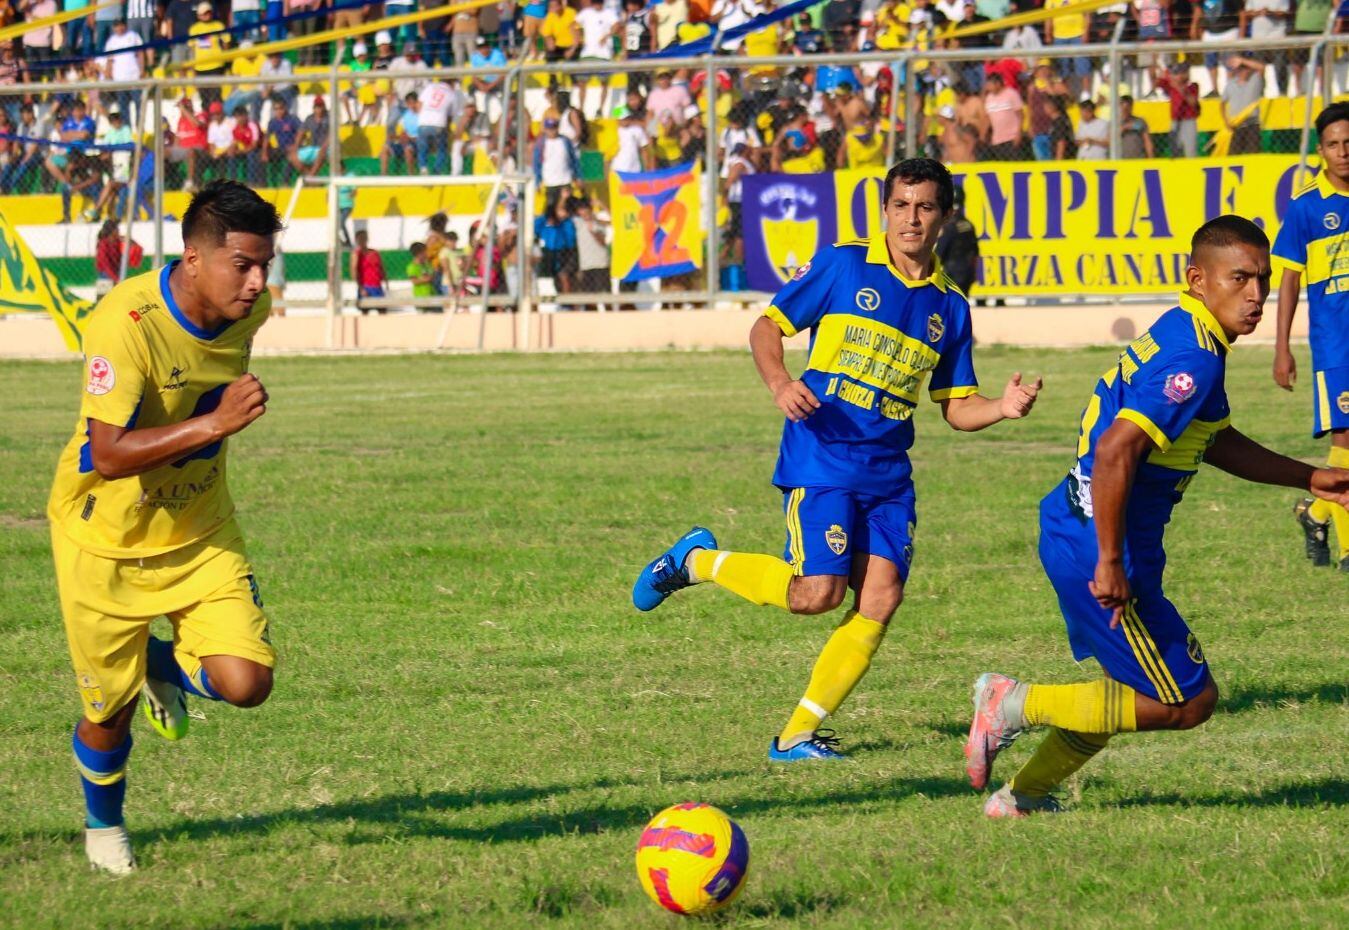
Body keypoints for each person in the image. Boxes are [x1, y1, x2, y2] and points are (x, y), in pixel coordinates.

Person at [631, 158, 1042, 760]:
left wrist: (1001, 408)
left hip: (888, 473)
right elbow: (767, 328)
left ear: (944, 216)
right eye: (900, 205)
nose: (911, 219)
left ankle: (795, 736)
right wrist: (780, 384)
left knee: (880, 598)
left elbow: (955, 406)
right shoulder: (845, 264)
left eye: (925, 207)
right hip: (822, 455)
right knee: (816, 595)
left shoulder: (950, 305)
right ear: (885, 209)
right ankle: (696, 562)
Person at [964, 215, 1349, 817]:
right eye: (1239, 279)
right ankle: (1012, 703)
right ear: (1198, 279)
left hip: (1074, 527)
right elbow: (1116, 450)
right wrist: (1110, 562)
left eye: (1263, 280)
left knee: (1130, 689)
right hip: (1100, 547)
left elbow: (1211, 437)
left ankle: (1024, 798)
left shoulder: (1184, 328)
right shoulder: (1196, 357)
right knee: (1188, 702)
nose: (1256, 295)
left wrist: (1309, 477)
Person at [48, 179, 283, 874]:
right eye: (241, 264)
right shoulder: (124, 323)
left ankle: (154, 662)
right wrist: (215, 423)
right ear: (192, 258)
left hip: (199, 529)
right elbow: (108, 454)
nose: (257, 282)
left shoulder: (253, 310)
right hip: (104, 541)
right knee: (109, 713)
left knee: (248, 683)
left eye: (264, 264)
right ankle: (104, 829)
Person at [1272, 102, 1349, 572]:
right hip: (1336, 345)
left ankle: (1316, 513)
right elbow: (1289, 280)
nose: (1343, 152)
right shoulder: (1306, 207)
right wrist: (1282, 348)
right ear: (1320, 150)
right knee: (1346, 440)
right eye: (1334, 144)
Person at [935, 186, 978, 297]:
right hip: (967, 274)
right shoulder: (969, 225)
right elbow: (975, 253)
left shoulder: (949, 227)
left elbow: (938, 254)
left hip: (952, 276)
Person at [1220, 54, 1265, 156]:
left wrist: (1242, 60)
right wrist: (1226, 121)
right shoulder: (1230, 84)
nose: (1245, 71)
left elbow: (1261, 67)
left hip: (1252, 123)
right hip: (1236, 124)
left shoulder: (1255, 80)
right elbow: (1222, 104)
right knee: (1234, 154)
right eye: (1242, 69)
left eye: (1247, 68)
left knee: (1253, 154)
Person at [93, 219, 144, 297]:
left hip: (116, 271)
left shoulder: (117, 241)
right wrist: (115, 278)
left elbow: (136, 247)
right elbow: (105, 264)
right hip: (106, 274)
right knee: (105, 296)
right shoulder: (103, 244)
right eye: (116, 229)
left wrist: (130, 240)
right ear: (112, 231)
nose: (118, 230)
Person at [351, 229, 389, 308]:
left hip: (377, 285)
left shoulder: (374, 253)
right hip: (365, 286)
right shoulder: (356, 254)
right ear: (356, 240)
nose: (362, 241)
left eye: (364, 238)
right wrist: (360, 288)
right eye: (360, 239)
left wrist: (386, 283)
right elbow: (354, 271)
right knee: (365, 309)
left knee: (382, 309)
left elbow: (381, 268)